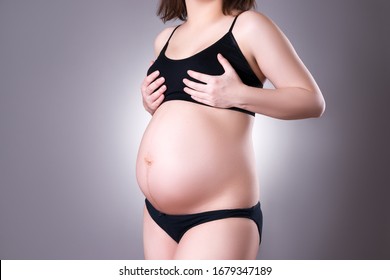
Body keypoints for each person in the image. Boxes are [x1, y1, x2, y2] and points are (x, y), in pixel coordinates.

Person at [136, 0, 325, 260]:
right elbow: (180, 114)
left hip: (219, 215)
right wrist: (150, 104)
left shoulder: (248, 27)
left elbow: (312, 101)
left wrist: (238, 94)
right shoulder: (165, 39)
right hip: (156, 215)